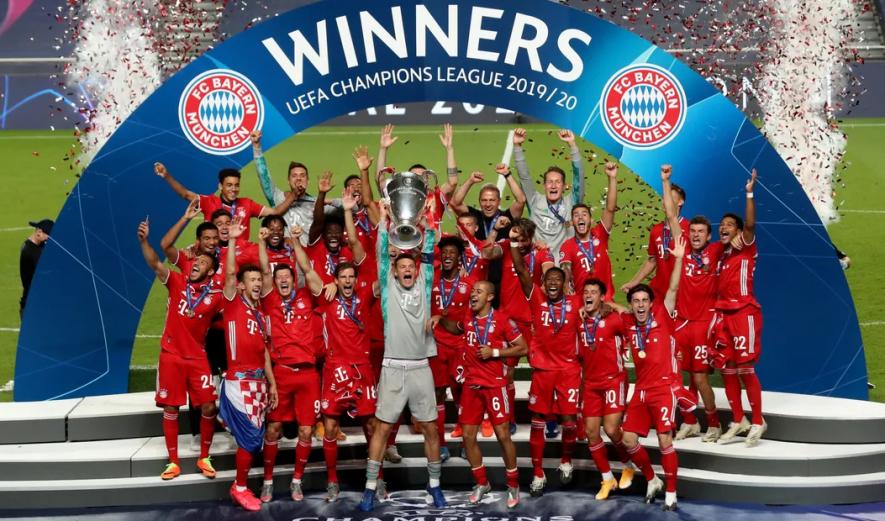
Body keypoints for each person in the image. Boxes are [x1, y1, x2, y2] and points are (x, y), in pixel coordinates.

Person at [359, 200, 446, 512]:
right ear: (393, 272)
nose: (408, 270)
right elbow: (382, 254)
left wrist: (431, 221)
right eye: (402, 267)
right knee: (382, 429)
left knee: (432, 429)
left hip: (421, 367)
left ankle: (434, 485)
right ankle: (370, 488)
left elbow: (431, 249)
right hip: (393, 368)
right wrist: (383, 221)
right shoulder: (388, 287)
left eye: (412, 267)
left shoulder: (424, 282)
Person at [429, 280, 528, 508]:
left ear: (490, 297)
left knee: (503, 436)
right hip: (472, 385)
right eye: (472, 290)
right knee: (467, 436)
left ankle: (513, 485)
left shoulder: (503, 320)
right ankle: (482, 483)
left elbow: (522, 347)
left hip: (495, 384)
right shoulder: (468, 315)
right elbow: (458, 328)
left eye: (478, 291)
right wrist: (441, 319)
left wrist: (494, 352)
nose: (473, 294)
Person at [137, 218, 221, 482]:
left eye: (203, 263)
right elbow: (154, 262)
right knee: (171, 408)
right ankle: (173, 461)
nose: (196, 264)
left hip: (198, 357)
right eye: (196, 261)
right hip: (171, 355)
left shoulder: (215, 296)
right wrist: (143, 241)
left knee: (208, 407)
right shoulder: (176, 281)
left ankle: (204, 457)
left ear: (210, 272)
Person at [507, 224, 581, 497]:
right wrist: (514, 243)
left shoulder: (575, 304)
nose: (552, 282)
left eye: (557, 279)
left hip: (569, 370)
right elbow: (521, 269)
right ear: (543, 283)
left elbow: (598, 306)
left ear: (564, 283)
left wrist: (609, 306)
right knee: (538, 420)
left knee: (569, 420)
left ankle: (566, 462)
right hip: (543, 370)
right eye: (548, 278)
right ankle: (538, 473)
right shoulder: (536, 297)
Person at [616, 234, 688, 512]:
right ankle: (651, 479)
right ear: (632, 304)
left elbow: (672, 288)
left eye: (645, 300)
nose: (641, 304)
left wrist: (679, 258)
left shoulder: (664, 317)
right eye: (636, 300)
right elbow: (614, 308)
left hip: (663, 389)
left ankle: (671, 493)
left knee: (664, 439)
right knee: (628, 440)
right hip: (641, 390)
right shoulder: (628, 323)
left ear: (651, 302)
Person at [257, 225, 324, 504]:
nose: (283, 280)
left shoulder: (306, 297)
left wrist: (296, 241)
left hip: (308, 375)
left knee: (306, 430)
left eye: (287, 276)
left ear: (293, 279)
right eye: (279, 277)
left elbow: (308, 270)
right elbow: (263, 271)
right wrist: (261, 243)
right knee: (273, 430)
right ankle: (268, 482)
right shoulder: (270, 299)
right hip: (281, 375)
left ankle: (297, 481)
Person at [218, 216, 278, 511]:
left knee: (255, 437)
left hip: (258, 383)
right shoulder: (232, 302)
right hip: (239, 380)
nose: (257, 283)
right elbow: (230, 273)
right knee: (251, 439)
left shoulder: (260, 312)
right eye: (251, 281)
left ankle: (241, 486)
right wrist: (232, 239)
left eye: (258, 280)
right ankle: (239, 487)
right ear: (241, 287)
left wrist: (273, 383)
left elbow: (265, 352)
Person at [159, 201, 225, 450]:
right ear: (198, 241)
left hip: (223, 331)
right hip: (197, 334)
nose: (211, 241)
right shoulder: (190, 261)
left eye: (214, 237)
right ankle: (197, 432)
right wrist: (185, 217)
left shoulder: (227, 258)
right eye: (206, 238)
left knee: (226, 380)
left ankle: (227, 423)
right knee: (195, 386)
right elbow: (165, 247)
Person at [711, 169, 766, 445]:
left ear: (738, 230)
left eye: (728, 225)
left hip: (744, 312)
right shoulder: (722, 256)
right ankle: (738, 418)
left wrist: (749, 192)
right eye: (721, 224)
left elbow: (752, 225)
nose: (722, 227)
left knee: (745, 369)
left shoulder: (746, 246)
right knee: (727, 369)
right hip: (724, 315)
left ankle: (757, 421)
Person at [485, 218, 554, 433]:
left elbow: (549, 268)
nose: (521, 244)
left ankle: (549, 418)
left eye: (525, 240)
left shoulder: (541, 251)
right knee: (507, 373)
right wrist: (497, 231)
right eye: (519, 239)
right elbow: (485, 254)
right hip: (508, 323)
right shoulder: (506, 246)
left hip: (534, 323)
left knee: (543, 372)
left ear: (532, 238)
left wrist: (548, 277)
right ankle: (510, 418)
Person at [577, 278, 636, 500]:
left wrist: (612, 305)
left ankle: (628, 465)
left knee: (611, 430)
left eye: (594, 292)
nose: (588, 295)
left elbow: (631, 317)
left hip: (614, 380)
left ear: (602, 297)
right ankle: (608, 478)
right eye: (586, 292)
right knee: (591, 432)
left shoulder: (614, 319)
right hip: (591, 383)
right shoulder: (580, 319)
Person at [671, 207, 725, 442]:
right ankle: (690, 422)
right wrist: (665, 180)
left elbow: (739, 234)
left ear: (708, 236)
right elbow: (672, 217)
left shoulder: (715, 251)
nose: (695, 235)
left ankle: (714, 424)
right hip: (682, 322)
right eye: (692, 230)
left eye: (701, 232)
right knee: (678, 377)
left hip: (704, 324)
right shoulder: (682, 249)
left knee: (700, 378)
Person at [154, 162, 295, 240]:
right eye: (229, 185)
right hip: (215, 258)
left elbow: (276, 211)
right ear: (220, 186)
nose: (234, 189)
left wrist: (293, 195)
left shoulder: (247, 204)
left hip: (240, 258)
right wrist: (166, 175)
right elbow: (185, 194)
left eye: (236, 185)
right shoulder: (209, 202)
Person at [251, 130, 344, 244]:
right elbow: (263, 175)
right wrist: (256, 147)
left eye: (302, 176)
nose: (298, 179)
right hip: (286, 256)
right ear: (288, 181)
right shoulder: (278, 198)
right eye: (294, 176)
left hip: (310, 258)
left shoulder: (317, 204)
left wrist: (329, 200)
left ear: (308, 181)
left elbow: (351, 207)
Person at [430, 236, 473, 461]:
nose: (448, 256)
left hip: (460, 347)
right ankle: (441, 444)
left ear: (459, 258)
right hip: (435, 346)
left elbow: (467, 323)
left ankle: (467, 441)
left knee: (462, 395)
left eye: (452, 253)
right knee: (438, 394)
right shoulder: (432, 280)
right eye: (444, 252)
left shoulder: (470, 283)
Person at [513, 129, 585, 260]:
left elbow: (578, 177)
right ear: (544, 186)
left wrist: (572, 145)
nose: (553, 186)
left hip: (564, 264)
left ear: (564, 187)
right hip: (538, 262)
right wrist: (517, 147)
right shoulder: (534, 200)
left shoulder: (572, 202)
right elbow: (524, 177)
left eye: (558, 182)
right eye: (550, 182)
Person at [376, 123, 459, 226]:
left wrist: (449, 149)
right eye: (414, 176)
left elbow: (452, 183)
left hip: (431, 241)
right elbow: (380, 180)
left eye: (421, 177)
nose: (418, 179)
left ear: (428, 180)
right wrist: (383, 148)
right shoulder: (397, 195)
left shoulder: (435, 198)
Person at [621, 179, 689, 300]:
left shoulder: (689, 229)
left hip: (681, 293)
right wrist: (633, 282)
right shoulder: (656, 230)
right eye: (664, 197)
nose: (664, 201)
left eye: (669, 197)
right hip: (658, 291)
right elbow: (652, 260)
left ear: (680, 202)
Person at [559, 162, 618, 300]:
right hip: (582, 302)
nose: (580, 217)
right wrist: (567, 288)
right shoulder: (568, 246)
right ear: (572, 222)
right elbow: (565, 271)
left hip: (606, 301)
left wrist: (612, 178)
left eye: (584, 214)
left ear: (591, 220)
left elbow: (610, 208)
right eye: (576, 215)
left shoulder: (600, 235)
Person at [20, 219, 53, 319]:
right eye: (47, 236)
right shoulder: (31, 252)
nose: (48, 240)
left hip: (33, 302)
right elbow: (47, 273)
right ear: (39, 232)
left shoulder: (33, 245)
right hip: (32, 306)